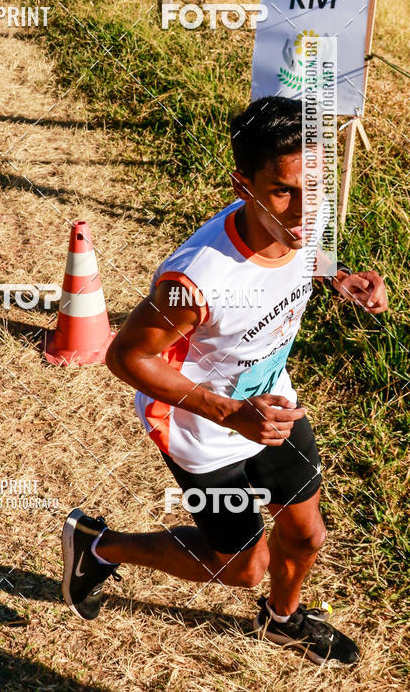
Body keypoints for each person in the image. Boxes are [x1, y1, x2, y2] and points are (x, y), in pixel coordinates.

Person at [61, 96, 387, 665]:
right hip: (201, 426)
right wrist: (227, 412)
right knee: (243, 566)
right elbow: (126, 358)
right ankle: (98, 545)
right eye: (283, 191)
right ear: (244, 185)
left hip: (273, 404)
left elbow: (306, 247)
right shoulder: (196, 279)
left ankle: (284, 621)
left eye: (316, 189)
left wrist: (339, 275)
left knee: (307, 534)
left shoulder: (306, 211)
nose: (306, 212)